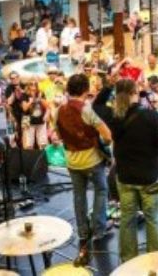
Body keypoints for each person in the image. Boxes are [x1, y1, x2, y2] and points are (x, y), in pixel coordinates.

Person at [109, 79, 158, 262]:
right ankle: (154, 262)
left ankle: (128, 262)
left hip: (125, 176)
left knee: (127, 219)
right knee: (152, 219)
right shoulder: (151, 116)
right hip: (149, 177)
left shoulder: (115, 117)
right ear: (135, 93)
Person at [53, 74, 112, 259]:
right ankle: (99, 230)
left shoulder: (59, 110)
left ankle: (83, 231)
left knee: (79, 195)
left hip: (71, 160)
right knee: (101, 191)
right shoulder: (86, 109)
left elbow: (59, 134)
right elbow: (108, 135)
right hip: (92, 160)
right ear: (86, 90)